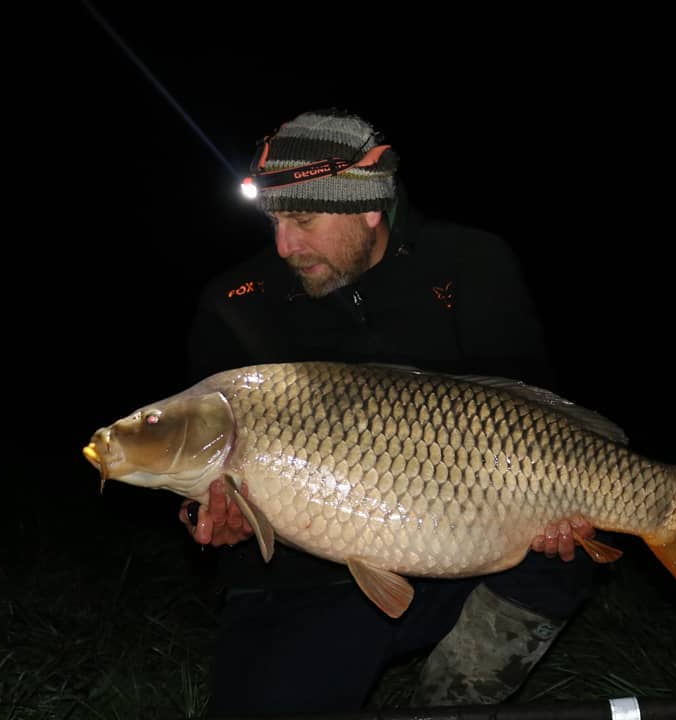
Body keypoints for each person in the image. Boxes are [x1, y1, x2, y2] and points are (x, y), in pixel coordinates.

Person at [178, 108, 598, 716]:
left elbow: (534, 413)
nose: (284, 246)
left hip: (473, 539)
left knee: (557, 565)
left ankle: (450, 699)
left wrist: (560, 508)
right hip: (315, 570)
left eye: (303, 220)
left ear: (369, 207)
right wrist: (213, 514)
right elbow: (207, 463)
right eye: (273, 222)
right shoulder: (236, 305)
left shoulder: (467, 264)